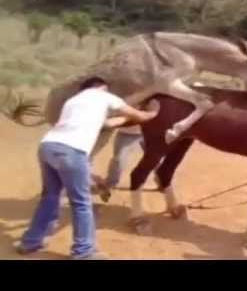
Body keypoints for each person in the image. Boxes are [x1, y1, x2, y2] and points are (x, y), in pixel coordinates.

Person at [15, 77, 158, 260]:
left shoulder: (73, 102)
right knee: (81, 203)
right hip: (72, 151)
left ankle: (30, 242)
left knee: (50, 197)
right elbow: (141, 117)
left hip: (48, 146)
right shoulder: (104, 97)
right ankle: (84, 252)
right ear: (101, 87)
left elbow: (107, 124)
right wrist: (152, 113)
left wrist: (126, 117)